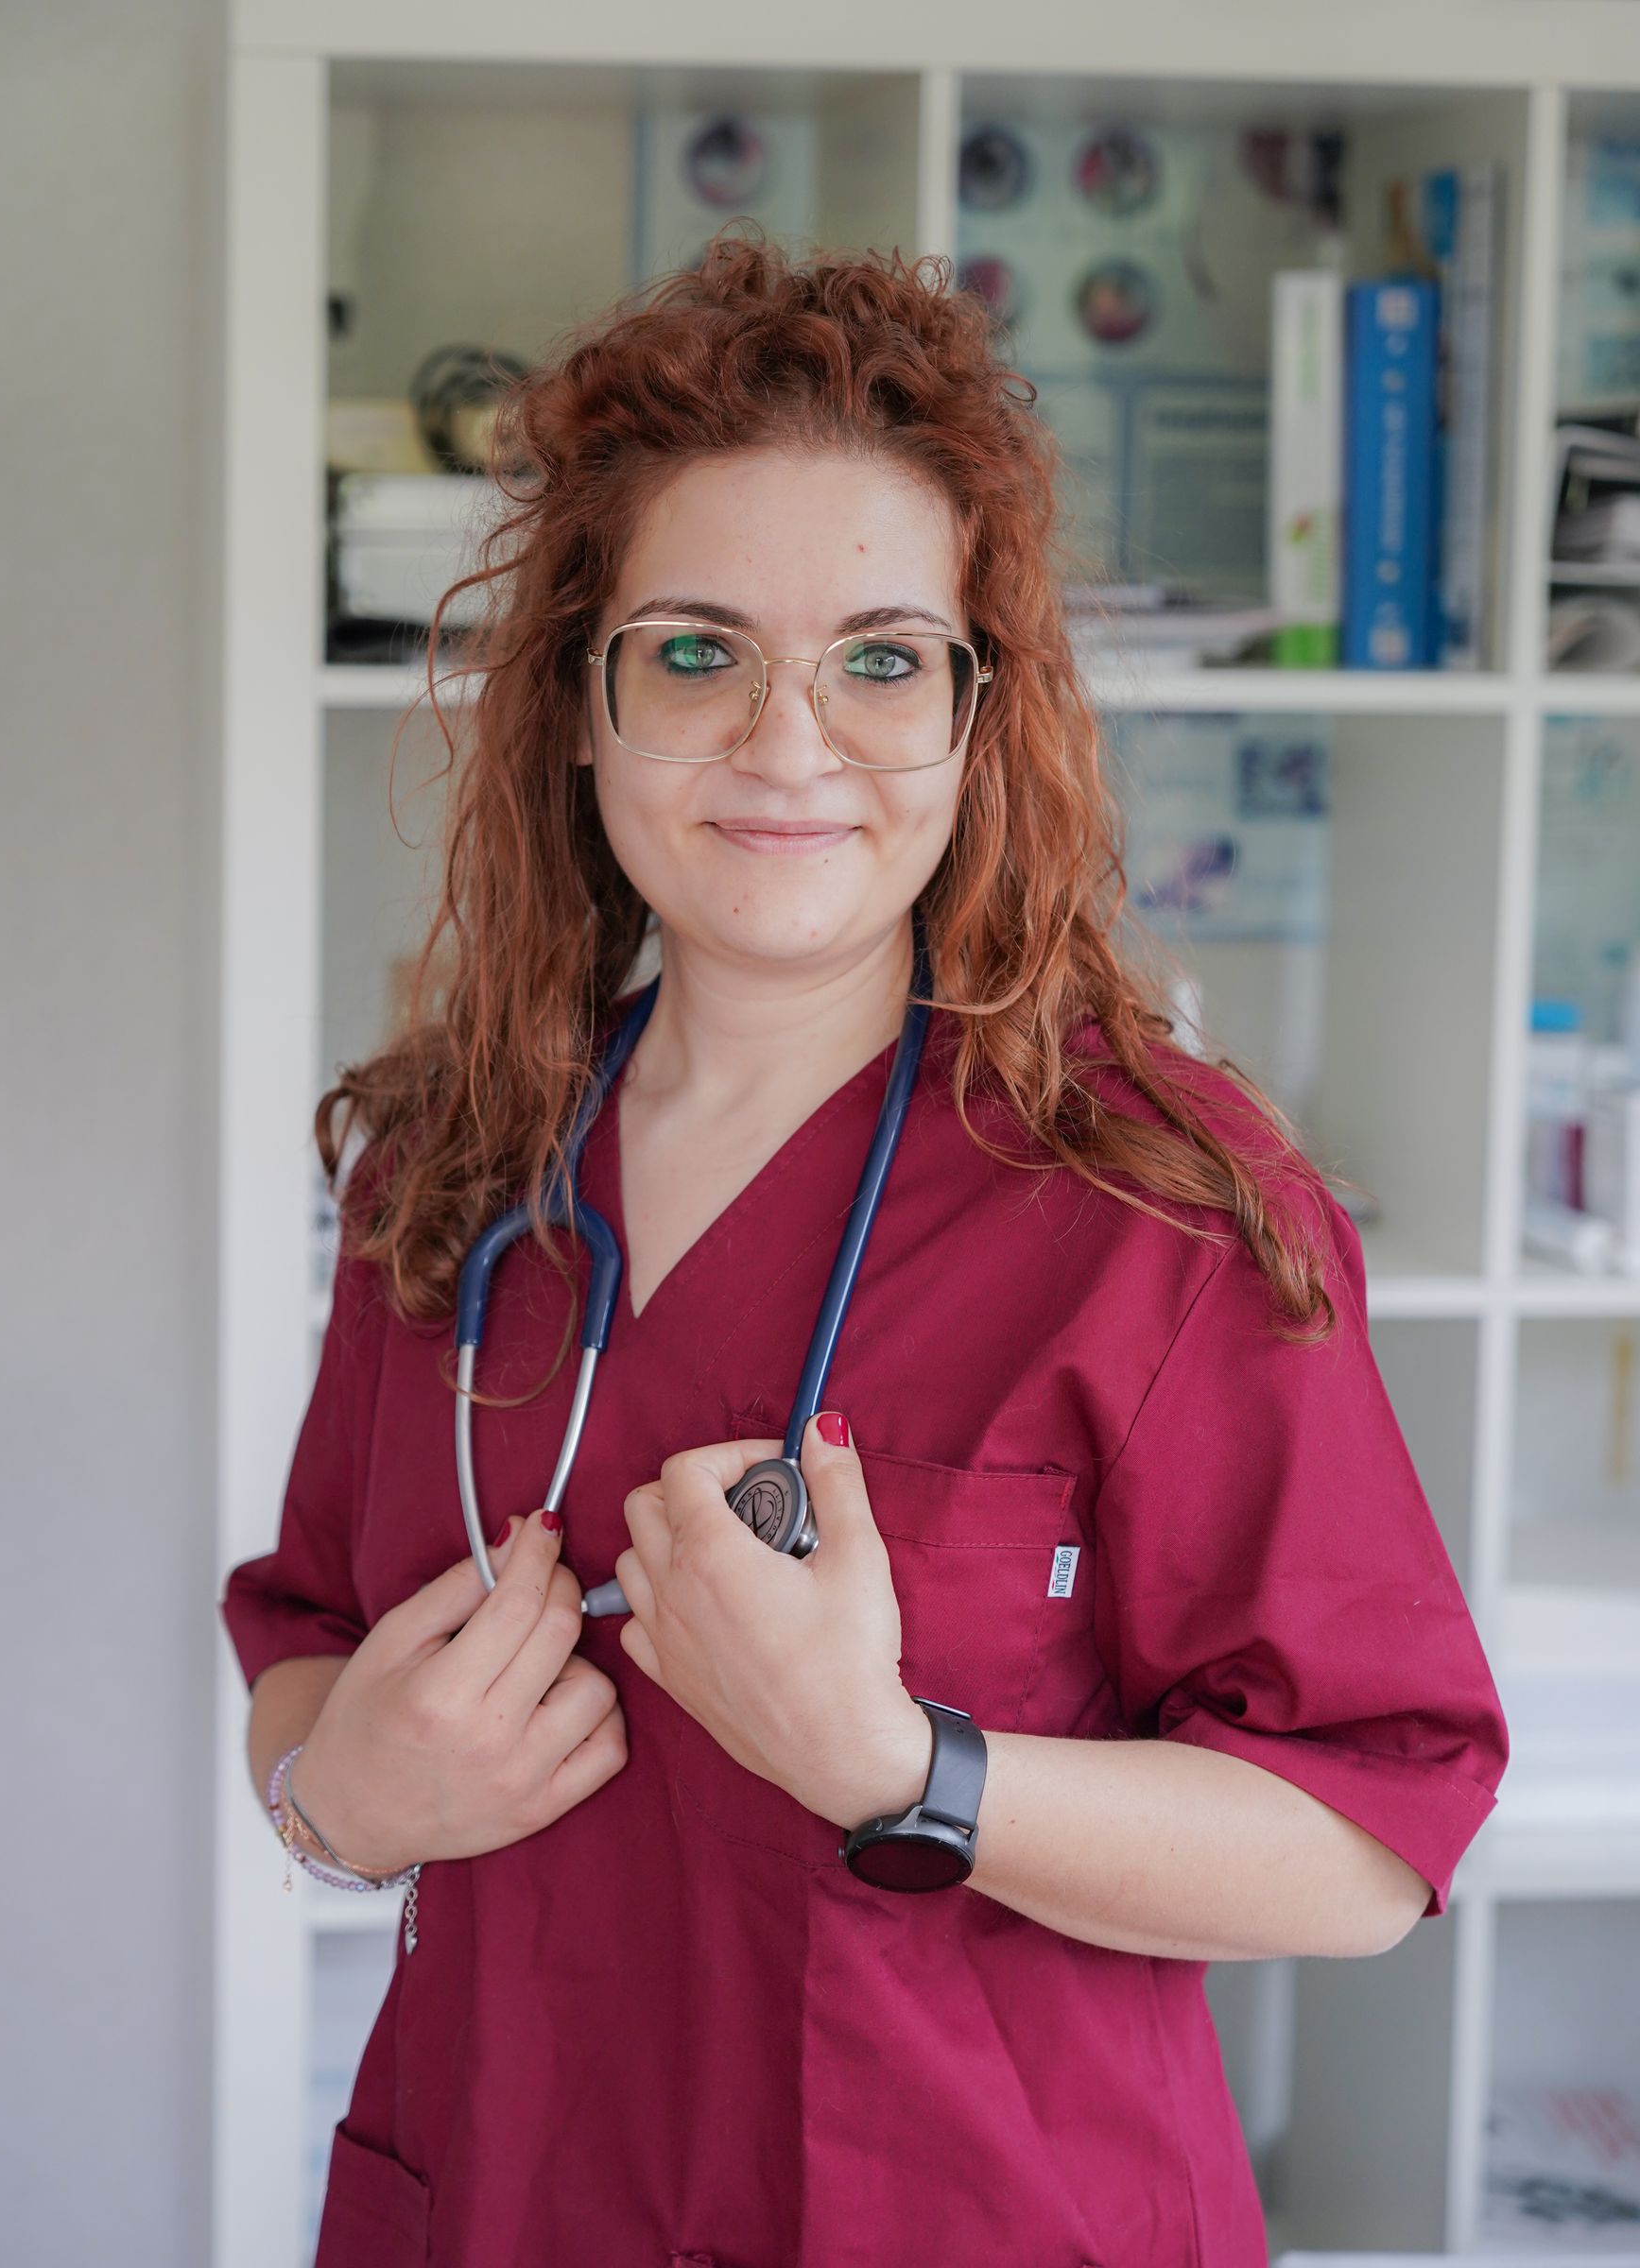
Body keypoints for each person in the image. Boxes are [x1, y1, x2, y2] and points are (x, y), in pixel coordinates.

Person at [219, 231, 1509, 2268]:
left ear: (979, 716)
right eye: (699, 650)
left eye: (882, 658)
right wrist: (337, 1803)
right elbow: (303, 1637)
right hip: (498, 2204)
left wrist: (909, 1769)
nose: (790, 742)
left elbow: (1363, 1840)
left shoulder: (1161, 1206)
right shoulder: (450, 1179)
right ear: (583, 704)